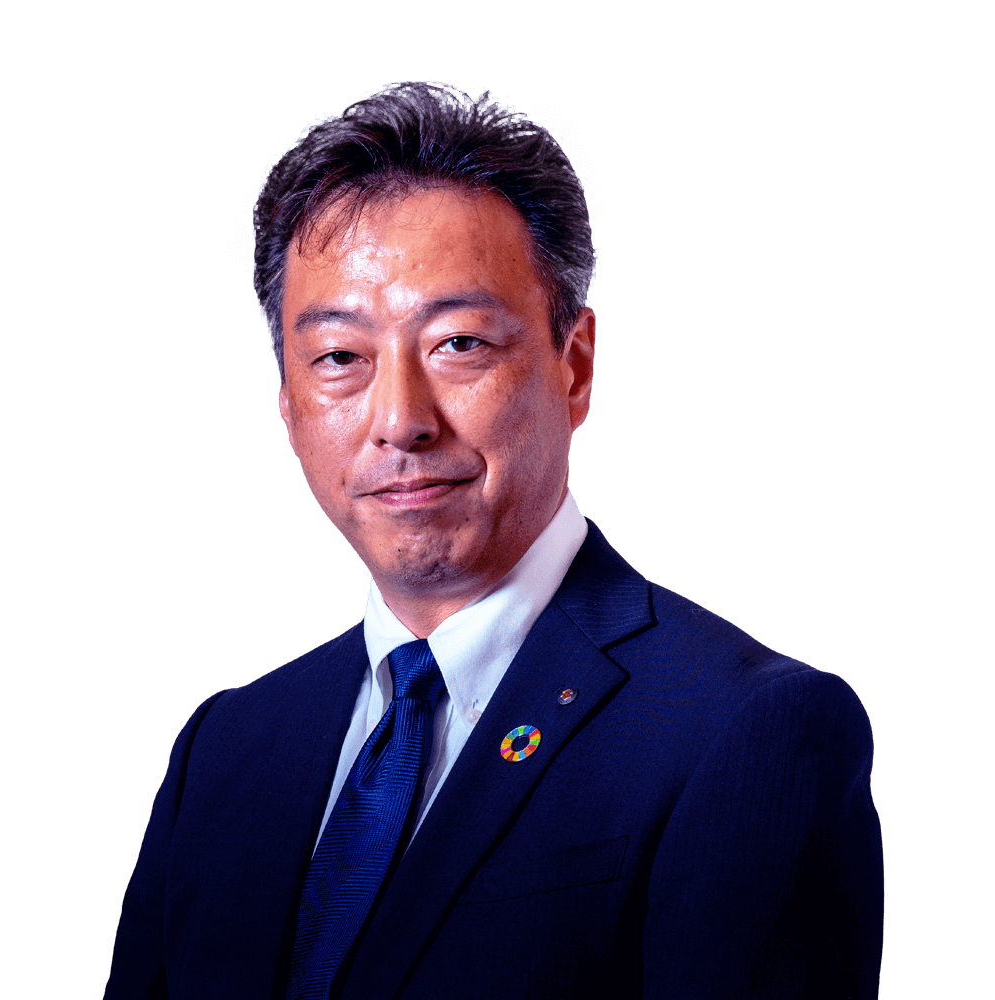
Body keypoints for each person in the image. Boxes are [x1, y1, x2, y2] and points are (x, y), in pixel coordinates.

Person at [105, 81, 883, 999]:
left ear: (575, 368)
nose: (400, 420)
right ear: (287, 403)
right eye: (340, 358)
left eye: (460, 344)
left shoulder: (746, 731)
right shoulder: (225, 747)